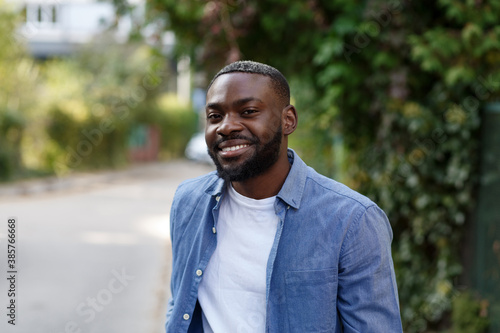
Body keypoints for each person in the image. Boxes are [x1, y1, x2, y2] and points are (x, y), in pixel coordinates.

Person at [165, 60, 403, 332]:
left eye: (249, 111)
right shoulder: (188, 202)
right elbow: (180, 302)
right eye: (215, 116)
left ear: (288, 120)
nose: (226, 127)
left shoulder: (352, 220)